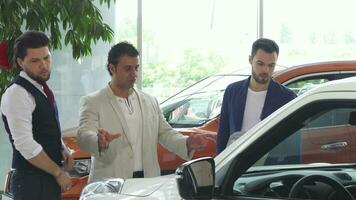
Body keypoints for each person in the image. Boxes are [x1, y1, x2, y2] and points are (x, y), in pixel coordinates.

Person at [77, 41, 214, 182]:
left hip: (147, 182)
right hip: (110, 183)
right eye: (128, 69)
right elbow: (84, 135)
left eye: (136, 68)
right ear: (112, 68)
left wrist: (187, 143)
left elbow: (164, 133)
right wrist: (98, 142)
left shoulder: (150, 101)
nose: (134, 74)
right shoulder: (93, 101)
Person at [1, 31, 73, 200]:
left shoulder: (41, 88)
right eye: (35, 60)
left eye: (46, 58)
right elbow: (24, 143)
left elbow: (43, 127)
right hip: (30, 181)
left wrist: (63, 149)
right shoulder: (17, 93)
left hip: (45, 178)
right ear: (20, 62)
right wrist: (57, 173)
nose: (44, 65)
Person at [216, 38, 297, 154]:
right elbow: (223, 134)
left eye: (271, 65)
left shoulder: (287, 97)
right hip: (235, 162)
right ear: (250, 59)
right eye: (260, 64)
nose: (266, 70)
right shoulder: (232, 91)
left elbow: (292, 141)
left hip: (268, 166)